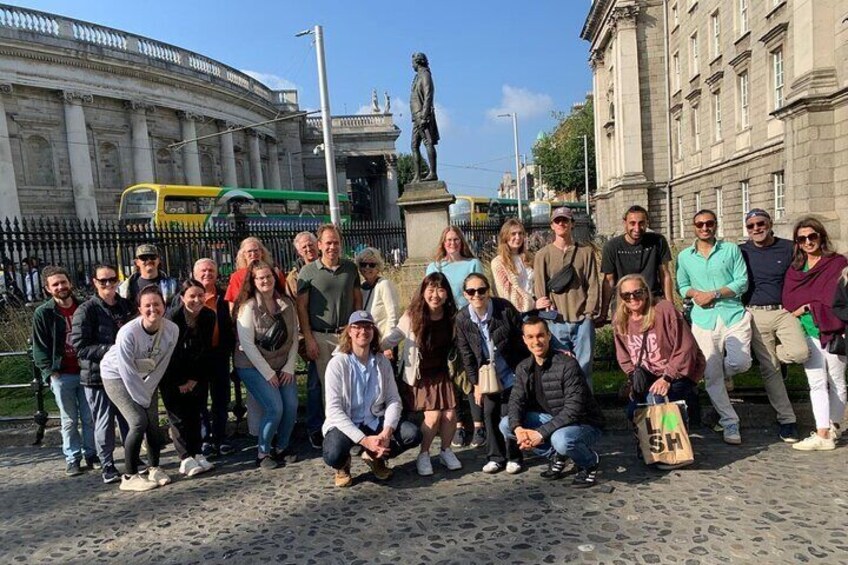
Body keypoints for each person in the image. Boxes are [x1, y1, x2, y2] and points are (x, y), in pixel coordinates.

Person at [612, 275, 705, 468]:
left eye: (638, 292)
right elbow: (623, 356)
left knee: (657, 398)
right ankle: (650, 443)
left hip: (678, 371)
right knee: (634, 410)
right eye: (627, 295)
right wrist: (632, 375)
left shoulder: (664, 310)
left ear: (646, 292)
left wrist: (667, 377)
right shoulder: (621, 321)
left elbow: (686, 347)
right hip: (649, 373)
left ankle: (671, 448)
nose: (633, 298)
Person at [500, 316, 605, 488]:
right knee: (506, 425)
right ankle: (557, 455)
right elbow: (515, 402)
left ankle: (589, 463)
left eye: (541, 335)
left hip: (584, 422)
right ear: (524, 340)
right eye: (531, 337)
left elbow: (574, 409)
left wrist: (539, 434)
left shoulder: (567, 364)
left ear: (549, 336)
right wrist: (518, 429)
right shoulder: (524, 368)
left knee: (561, 439)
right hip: (551, 419)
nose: (536, 341)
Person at [322, 310, 422, 487]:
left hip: (374, 420)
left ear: (374, 331)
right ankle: (343, 465)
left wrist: (387, 431)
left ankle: (374, 457)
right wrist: (364, 440)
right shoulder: (337, 364)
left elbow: (393, 399)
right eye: (357, 327)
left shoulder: (382, 362)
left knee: (412, 434)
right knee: (333, 454)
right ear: (349, 332)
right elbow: (334, 411)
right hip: (346, 423)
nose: (363, 331)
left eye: (368, 327)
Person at [676, 209, 750, 445]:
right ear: (694, 227)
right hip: (703, 318)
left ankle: (716, 376)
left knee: (740, 362)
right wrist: (695, 293)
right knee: (711, 374)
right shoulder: (685, 256)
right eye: (700, 224)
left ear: (716, 225)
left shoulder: (730, 249)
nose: (705, 228)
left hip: (732, 313)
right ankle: (730, 422)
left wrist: (715, 293)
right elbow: (682, 285)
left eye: (709, 223)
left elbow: (742, 281)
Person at [100, 285, 179, 492]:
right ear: (139, 308)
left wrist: (148, 392)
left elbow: (162, 364)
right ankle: (129, 475)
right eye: (147, 305)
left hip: (146, 376)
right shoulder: (128, 333)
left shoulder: (171, 330)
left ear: (164, 306)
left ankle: (154, 467)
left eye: (157, 304)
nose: (153, 309)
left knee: (152, 422)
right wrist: (142, 398)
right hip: (116, 375)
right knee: (138, 421)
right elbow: (126, 372)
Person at [382, 272, 461, 476]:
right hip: (419, 376)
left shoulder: (452, 317)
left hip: (442, 374)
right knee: (433, 416)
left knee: (450, 414)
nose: (436, 294)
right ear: (424, 291)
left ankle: (446, 450)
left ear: (447, 294)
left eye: (441, 289)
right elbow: (393, 338)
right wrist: (372, 346)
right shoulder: (412, 316)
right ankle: (424, 454)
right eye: (431, 289)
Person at [739, 209, 807, 443]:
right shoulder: (742, 251)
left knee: (800, 353)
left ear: (770, 224)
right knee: (771, 370)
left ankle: (775, 356)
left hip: (784, 310)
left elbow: (804, 273)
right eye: (751, 226)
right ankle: (787, 420)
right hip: (756, 313)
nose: (756, 228)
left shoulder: (788, 247)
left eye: (760, 223)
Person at [784, 218, 848, 451]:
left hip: (835, 330)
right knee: (817, 382)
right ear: (797, 243)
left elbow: (838, 298)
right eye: (802, 239)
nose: (808, 242)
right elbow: (789, 300)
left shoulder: (837, 264)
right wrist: (804, 307)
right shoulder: (796, 270)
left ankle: (834, 426)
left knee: (838, 380)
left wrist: (812, 305)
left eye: (812, 236)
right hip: (807, 331)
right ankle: (822, 432)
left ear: (821, 237)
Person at [297, 224, 363, 448]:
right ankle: (334, 434)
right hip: (321, 336)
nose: (332, 246)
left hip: (345, 334)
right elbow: (302, 308)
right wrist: (308, 338)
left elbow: (357, 300)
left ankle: (353, 429)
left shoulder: (350, 268)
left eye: (335, 242)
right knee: (329, 389)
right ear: (319, 245)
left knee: (351, 385)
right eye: (328, 243)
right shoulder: (308, 273)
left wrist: (355, 330)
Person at [455, 273, 528, 474]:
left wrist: (524, 371)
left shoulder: (504, 309)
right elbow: (466, 354)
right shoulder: (462, 318)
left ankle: (514, 456)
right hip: (487, 376)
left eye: (481, 290)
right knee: (489, 413)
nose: (476, 295)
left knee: (509, 415)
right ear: (465, 295)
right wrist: (475, 384)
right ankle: (495, 457)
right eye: (471, 291)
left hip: (511, 369)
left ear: (488, 291)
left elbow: (521, 338)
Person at [70, 264, 135, 484]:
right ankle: (107, 464)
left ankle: (132, 458)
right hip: (97, 376)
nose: (108, 284)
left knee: (128, 419)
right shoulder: (86, 310)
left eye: (112, 279)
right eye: (103, 280)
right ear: (95, 282)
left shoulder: (126, 306)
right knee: (104, 423)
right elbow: (79, 345)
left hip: (124, 375)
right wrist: (109, 350)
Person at [32, 265, 97, 477]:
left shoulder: (84, 307)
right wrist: (50, 371)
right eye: (55, 284)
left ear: (70, 283)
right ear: (48, 289)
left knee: (89, 417)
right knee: (68, 419)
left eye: (63, 282)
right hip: (62, 373)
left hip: (85, 370)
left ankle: (92, 454)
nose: (61, 287)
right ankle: (72, 458)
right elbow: (39, 346)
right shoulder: (44, 313)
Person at [234, 260, 300, 468]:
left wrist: (290, 366)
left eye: (268, 276)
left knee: (291, 405)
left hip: (282, 362)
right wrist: (268, 373)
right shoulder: (248, 308)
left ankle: (282, 446)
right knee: (275, 407)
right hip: (253, 366)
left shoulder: (287, 304)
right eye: (260, 278)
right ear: (253, 281)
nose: (265, 281)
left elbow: (294, 337)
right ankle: (263, 452)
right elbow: (247, 345)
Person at [425, 225, 485, 447]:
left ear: (462, 242)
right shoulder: (435, 266)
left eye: (456, 239)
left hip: (468, 323)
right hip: (444, 325)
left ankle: (478, 425)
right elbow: (429, 294)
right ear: (443, 242)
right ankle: (458, 424)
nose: (452, 243)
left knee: (471, 372)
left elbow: (482, 291)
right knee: (450, 375)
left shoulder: (472, 264)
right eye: (448, 240)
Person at [534, 207, 602, 389]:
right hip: (556, 321)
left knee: (584, 368)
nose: (561, 224)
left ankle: (586, 410)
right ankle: (565, 409)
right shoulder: (543, 255)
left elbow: (593, 284)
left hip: (582, 319)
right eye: (558, 221)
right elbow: (540, 287)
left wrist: (589, 314)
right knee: (560, 368)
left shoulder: (585, 252)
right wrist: (546, 310)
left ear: (572, 224)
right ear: (552, 226)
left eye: (565, 220)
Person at [161, 279, 216, 477]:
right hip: (171, 373)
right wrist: (181, 381)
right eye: (191, 296)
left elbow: (206, 348)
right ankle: (185, 457)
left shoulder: (208, 315)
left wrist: (194, 378)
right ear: (183, 297)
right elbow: (170, 352)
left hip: (197, 371)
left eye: (200, 295)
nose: (196, 300)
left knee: (196, 412)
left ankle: (197, 451)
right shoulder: (172, 318)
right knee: (178, 417)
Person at [192, 258, 236, 457]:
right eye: (203, 271)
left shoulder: (222, 296)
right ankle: (204, 439)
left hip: (220, 353)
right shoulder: (188, 295)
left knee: (221, 398)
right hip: (198, 356)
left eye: (211, 270)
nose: (207, 274)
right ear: (194, 273)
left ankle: (220, 437)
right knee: (199, 399)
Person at [600, 205, 673, 321]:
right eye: (632, 223)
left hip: (651, 297)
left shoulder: (658, 241)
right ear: (625, 223)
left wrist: (670, 306)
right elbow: (609, 280)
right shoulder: (612, 247)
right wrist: (603, 313)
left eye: (641, 223)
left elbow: (664, 274)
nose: (637, 228)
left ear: (647, 223)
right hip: (625, 299)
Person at [224, 237, 287, 306]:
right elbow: (233, 301)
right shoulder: (237, 276)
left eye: (256, 250)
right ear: (244, 255)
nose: (253, 254)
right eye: (249, 251)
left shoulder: (275, 272)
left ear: (262, 252)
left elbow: (283, 294)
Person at [490, 219, 535, 312]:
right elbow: (507, 294)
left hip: (536, 309)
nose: (518, 237)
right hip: (517, 312)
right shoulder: (498, 263)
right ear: (505, 236)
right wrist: (533, 304)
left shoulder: (529, 258)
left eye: (520, 233)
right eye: (513, 234)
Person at [357, 247, 400, 340]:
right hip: (366, 340)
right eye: (363, 264)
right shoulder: (361, 288)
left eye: (372, 265)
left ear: (378, 267)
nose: (367, 267)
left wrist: (387, 342)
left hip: (382, 342)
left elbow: (393, 315)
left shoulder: (384, 284)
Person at [410, 51, 439, 181]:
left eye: (413, 63)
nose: (412, 66)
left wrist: (424, 115)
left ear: (418, 62)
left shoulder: (425, 75)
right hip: (416, 116)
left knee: (428, 142)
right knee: (414, 145)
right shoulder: (418, 77)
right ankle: (417, 175)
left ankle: (433, 173)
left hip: (422, 115)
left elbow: (428, 95)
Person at [286, 231, 319, 296]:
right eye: (304, 247)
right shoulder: (294, 277)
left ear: (317, 245)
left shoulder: (330, 266)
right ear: (299, 252)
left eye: (310, 245)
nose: (309, 249)